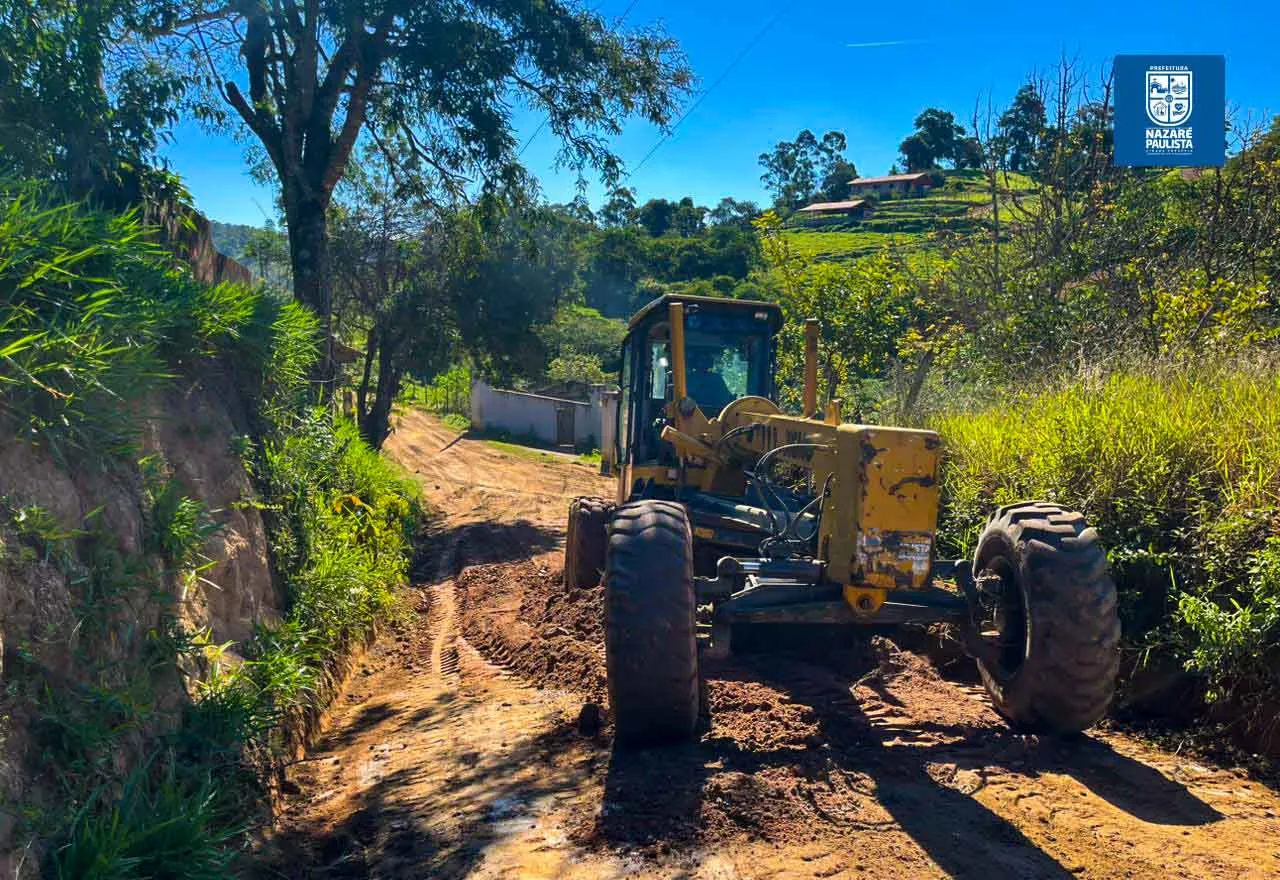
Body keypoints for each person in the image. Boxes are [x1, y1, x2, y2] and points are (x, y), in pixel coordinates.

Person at [685, 347, 731, 413]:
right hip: (689, 413)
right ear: (694, 362)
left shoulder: (716, 379)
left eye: (705, 360)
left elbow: (724, 399)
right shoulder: (688, 379)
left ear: (710, 362)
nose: (703, 363)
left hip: (715, 413)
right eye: (701, 360)